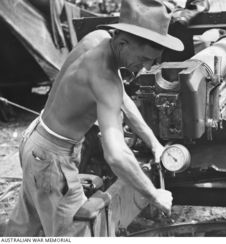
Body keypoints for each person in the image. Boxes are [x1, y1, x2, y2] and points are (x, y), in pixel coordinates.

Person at [5, 0, 184, 237]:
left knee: (21, 232)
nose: (145, 67)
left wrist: (155, 144)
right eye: (143, 59)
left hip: (35, 141)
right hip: (52, 162)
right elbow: (116, 155)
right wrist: (154, 194)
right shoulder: (105, 78)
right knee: (79, 233)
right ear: (123, 42)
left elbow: (122, 100)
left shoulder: (98, 38)